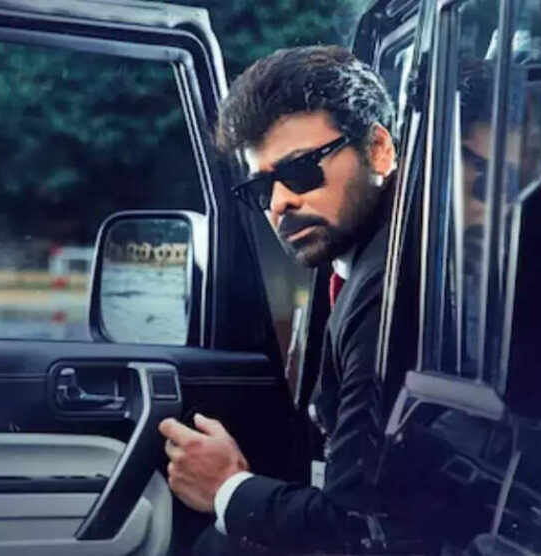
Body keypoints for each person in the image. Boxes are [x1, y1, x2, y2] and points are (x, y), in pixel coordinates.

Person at [156, 45, 416, 554]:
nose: (280, 202)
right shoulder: (353, 259)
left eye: (300, 172)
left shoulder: (386, 291)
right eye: (262, 188)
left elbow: (354, 530)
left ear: (379, 148)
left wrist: (227, 488)